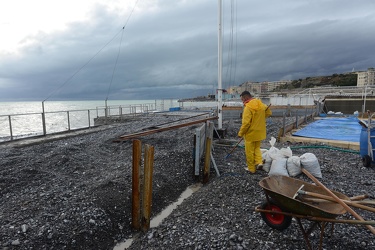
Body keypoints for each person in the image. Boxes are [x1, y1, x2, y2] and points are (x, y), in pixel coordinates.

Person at [238, 91, 272, 173]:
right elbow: (268, 113)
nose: (242, 101)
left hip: (250, 133)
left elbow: (246, 123)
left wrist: (240, 133)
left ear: (245, 98)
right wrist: (259, 117)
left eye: (242, 99)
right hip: (260, 132)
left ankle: (251, 169)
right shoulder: (260, 104)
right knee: (257, 148)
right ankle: (259, 162)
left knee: (249, 151)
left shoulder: (248, 107)